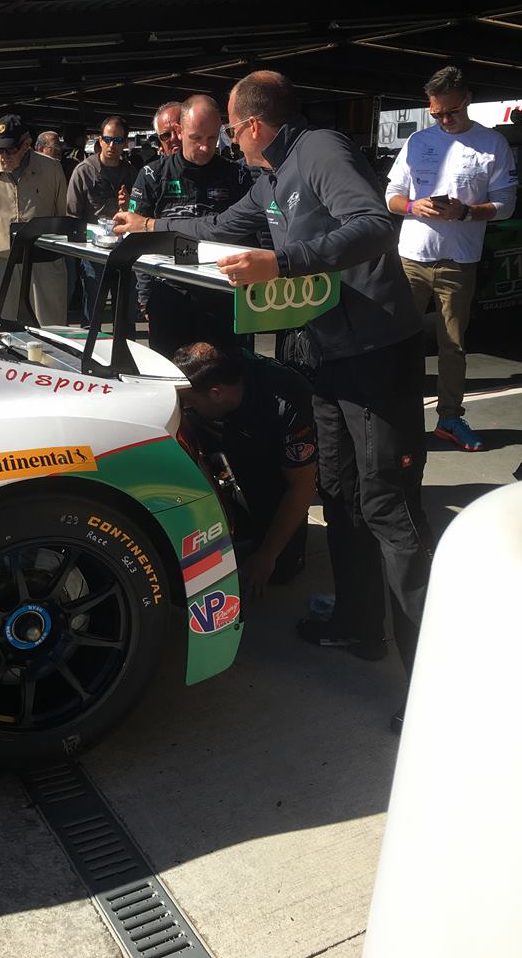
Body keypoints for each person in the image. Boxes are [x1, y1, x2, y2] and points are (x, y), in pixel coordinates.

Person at [114, 70, 426, 719]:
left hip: (377, 354)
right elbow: (217, 225)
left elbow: (374, 224)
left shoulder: (321, 150)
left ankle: (429, 686)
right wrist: (145, 225)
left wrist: (282, 263)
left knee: (388, 509)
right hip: (329, 355)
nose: (230, 140)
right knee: (340, 494)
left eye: (231, 129)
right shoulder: (268, 180)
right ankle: (360, 624)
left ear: (252, 125)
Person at [385, 64, 518, 452]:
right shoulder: (417, 141)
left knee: (453, 346)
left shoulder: (492, 144)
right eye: (437, 113)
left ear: (468, 100)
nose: (444, 120)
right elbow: (391, 196)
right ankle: (394, 418)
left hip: (458, 261)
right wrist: (413, 205)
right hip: (412, 258)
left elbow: (507, 205)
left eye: (452, 112)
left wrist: (467, 212)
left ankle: (449, 417)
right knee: (397, 341)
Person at [174, 343, 316, 594]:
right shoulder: (214, 381)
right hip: (228, 427)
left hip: (271, 452)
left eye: (190, 403)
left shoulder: (286, 401)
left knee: (280, 570)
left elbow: (302, 486)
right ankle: (235, 511)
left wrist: (267, 555)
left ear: (216, 393)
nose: (186, 409)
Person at [128, 94, 254, 357]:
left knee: (228, 372)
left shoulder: (237, 176)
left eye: (212, 138)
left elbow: (253, 237)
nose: (205, 148)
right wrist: (145, 297)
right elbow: (136, 239)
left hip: (223, 295)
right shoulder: (152, 175)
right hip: (169, 294)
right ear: (179, 131)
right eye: (196, 138)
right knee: (170, 372)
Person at [0, 113, 69, 325]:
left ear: (27, 144)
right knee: (4, 328)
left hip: (43, 262)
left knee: (51, 327)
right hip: (1, 261)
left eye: (10, 149)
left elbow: (62, 214)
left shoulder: (52, 169)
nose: (4, 155)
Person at [63, 115, 139, 320]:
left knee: (125, 314)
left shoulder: (132, 173)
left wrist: (129, 205)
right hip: (94, 254)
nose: (112, 145)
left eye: (118, 140)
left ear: (126, 143)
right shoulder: (84, 171)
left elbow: (141, 213)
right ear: (100, 140)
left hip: (125, 251)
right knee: (93, 315)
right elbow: (72, 215)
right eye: (108, 139)